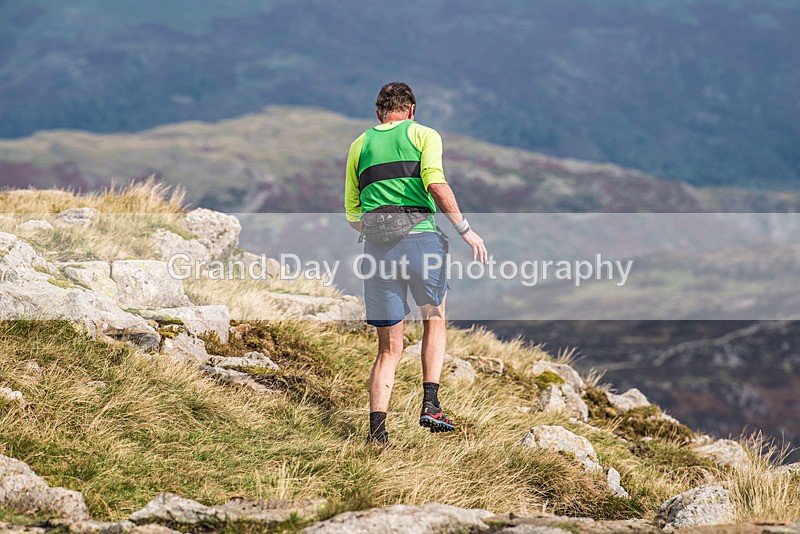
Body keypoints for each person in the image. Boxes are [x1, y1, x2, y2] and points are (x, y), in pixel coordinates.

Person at [344, 82, 488, 446]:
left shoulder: (358, 145)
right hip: (421, 240)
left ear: (379, 113)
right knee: (434, 318)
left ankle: (377, 435)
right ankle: (431, 404)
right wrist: (466, 230)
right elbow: (436, 185)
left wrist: (382, 234)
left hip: (377, 251)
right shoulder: (424, 134)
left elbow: (352, 214)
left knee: (388, 349)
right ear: (411, 110)